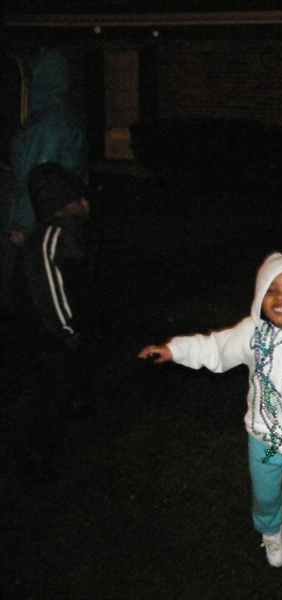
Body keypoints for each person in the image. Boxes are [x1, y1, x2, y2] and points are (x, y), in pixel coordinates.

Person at [139, 252, 282, 570]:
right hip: (262, 437)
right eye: (271, 289)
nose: (280, 297)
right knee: (265, 494)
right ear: (260, 297)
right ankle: (272, 530)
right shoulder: (250, 333)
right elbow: (213, 347)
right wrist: (173, 350)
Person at [21, 162, 95, 476]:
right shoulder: (50, 238)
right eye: (78, 201)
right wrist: (67, 329)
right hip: (51, 332)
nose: (86, 206)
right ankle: (37, 455)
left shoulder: (71, 232)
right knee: (54, 389)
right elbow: (49, 289)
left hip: (65, 327)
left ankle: (73, 408)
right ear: (62, 205)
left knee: (66, 381)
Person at [8, 48, 88, 242]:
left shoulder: (47, 123)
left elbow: (39, 177)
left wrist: (22, 226)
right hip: (64, 217)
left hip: (44, 223)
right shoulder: (63, 113)